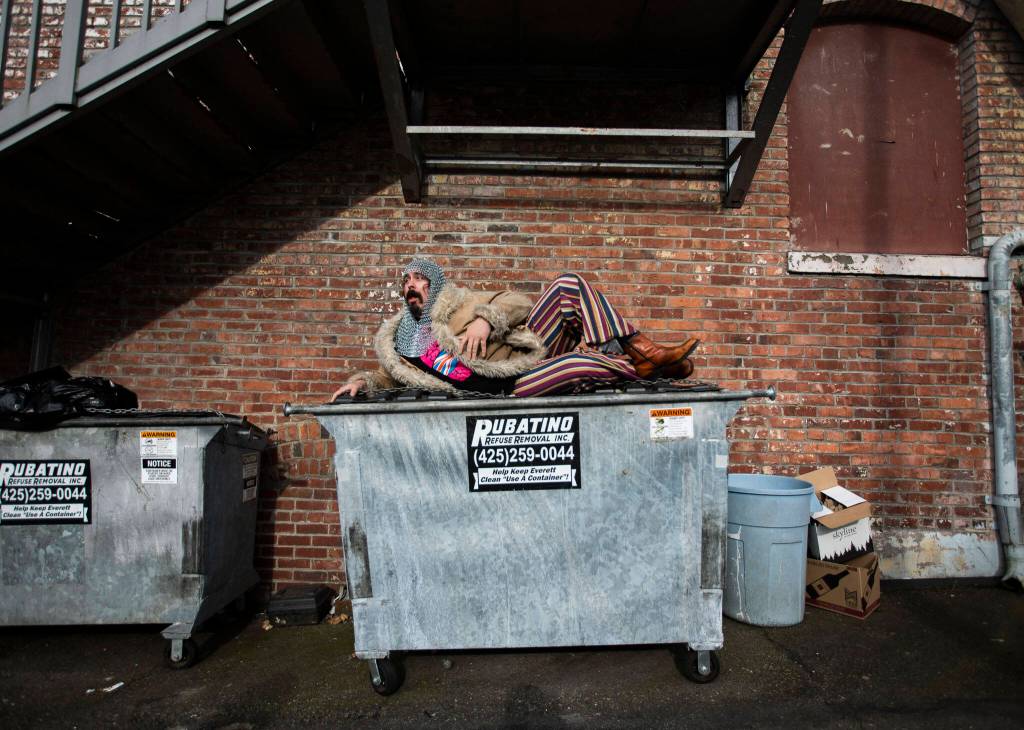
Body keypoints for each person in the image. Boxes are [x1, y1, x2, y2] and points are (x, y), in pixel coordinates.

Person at [331, 258, 699, 400]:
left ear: (436, 284)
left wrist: (483, 318)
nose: (411, 284)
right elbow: (389, 376)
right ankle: (646, 365)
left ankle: (643, 349)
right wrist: (362, 381)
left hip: (524, 354)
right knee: (580, 367)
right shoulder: (401, 339)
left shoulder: (461, 302)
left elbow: (519, 302)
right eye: (406, 281)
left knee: (568, 285)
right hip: (508, 387)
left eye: (419, 279)